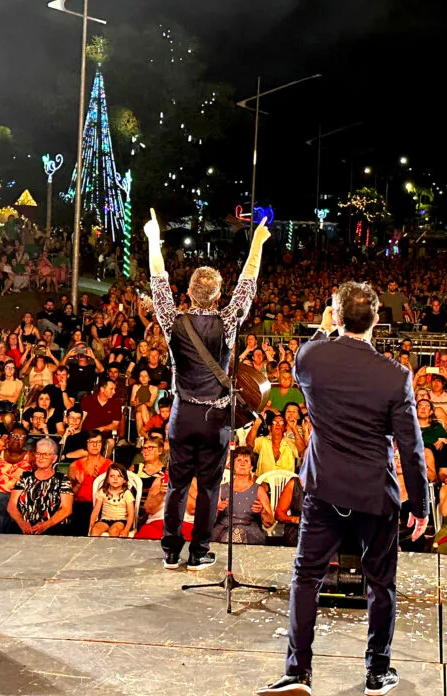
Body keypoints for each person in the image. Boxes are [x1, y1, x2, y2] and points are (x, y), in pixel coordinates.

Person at [257, 282, 428, 696]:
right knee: (380, 583)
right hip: (374, 492)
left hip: (324, 488)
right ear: (376, 320)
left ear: (335, 316)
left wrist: (322, 328)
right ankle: (377, 672)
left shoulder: (311, 357)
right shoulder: (395, 376)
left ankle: (298, 672)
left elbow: (305, 355)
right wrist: (420, 504)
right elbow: (410, 446)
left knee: (306, 577)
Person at [146, 207, 267, 572]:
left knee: (177, 485)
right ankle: (199, 552)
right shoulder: (227, 322)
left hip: (182, 414)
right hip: (216, 418)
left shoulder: (173, 319)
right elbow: (247, 283)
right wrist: (257, 243)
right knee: (210, 487)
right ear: (217, 296)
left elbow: (158, 280)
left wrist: (153, 239)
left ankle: (171, 551)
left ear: (188, 292)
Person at [7, 438, 73, 535]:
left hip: (53, 529)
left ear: (54, 458)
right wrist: (22, 523)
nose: (41, 457)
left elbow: (67, 509)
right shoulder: (25, 477)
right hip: (24, 529)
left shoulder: (62, 479)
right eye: (38, 453)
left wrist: (46, 525)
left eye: (46, 454)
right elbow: (11, 505)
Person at [212, 445, 274, 544]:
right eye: (239, 460)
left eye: (246, 461)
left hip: (250, 534)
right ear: (232, 465)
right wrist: (217, 509)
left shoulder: (259, 490)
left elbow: (269, 523)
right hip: (224, 531)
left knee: (238, 533)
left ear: (251, 467)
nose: (242, 464)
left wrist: (262, 511)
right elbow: (209, 520)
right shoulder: (221, 489)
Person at [89, 462, 135, 537]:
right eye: (112, 476)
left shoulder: (127, 494)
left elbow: (131, 514)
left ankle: (112, 545)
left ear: (124, 480)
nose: (115, 479)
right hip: (105, 520)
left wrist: (126, 529)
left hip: (120, 521)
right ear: (107, 479)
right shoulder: (103, 492)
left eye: (119, 476)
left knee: (114, 530)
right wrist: (91, 525)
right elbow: (96, 510)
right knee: (95, 530)